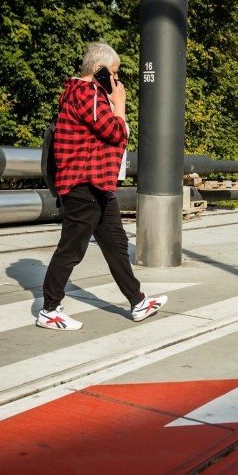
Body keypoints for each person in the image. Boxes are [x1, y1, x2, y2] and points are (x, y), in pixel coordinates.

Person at [37, 42, 167, 330]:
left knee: (116, 245)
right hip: (84, 185)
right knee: (71, 249)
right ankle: (49, 309)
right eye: (115, 73)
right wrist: (119, 103)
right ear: (100, 70)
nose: (117, 80)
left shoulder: (88, 95)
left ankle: (138, 301)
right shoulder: (87, 93)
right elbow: (116, 132)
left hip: (98, 185)